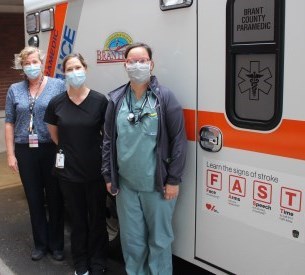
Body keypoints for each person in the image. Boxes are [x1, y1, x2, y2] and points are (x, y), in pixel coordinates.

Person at [102, 42, 187, 275]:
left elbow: (179, 141)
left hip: (157, 186)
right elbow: (108, 140)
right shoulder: (116, 99)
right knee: (132, 242)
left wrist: (173, 180)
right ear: (125, 65)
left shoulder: (165, 98)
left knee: (159, 241)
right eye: (132, 61)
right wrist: (108, 176)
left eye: (142, 61)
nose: (137, 65)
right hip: (126, 187)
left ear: (151, 64)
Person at [44, 53, 109, 275]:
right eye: (69, 69)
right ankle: (81, 263)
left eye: (77, 67)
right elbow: (54, 133)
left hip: (96, 172)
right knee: (78, 221)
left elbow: (107, 136)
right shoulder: (57, 103)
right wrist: (70, 148)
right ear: (64, 73)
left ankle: (98, 261)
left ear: (85, 68)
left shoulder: (100, 101)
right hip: (69, 174)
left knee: (98, 219)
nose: (74, 72)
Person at [4, 46, 65, 261]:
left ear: (42, 62)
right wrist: (10, 154)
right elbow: (9, 122)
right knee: (34, 198)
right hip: (25, 150)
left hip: (51, 148)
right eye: (26, 63)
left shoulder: (58, 85)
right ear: (22, 66)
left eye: (34, 62)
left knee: (56, 196)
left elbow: (65, 116)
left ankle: (57, 245)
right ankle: (40, 244)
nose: (31, 66)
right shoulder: (14, 89)